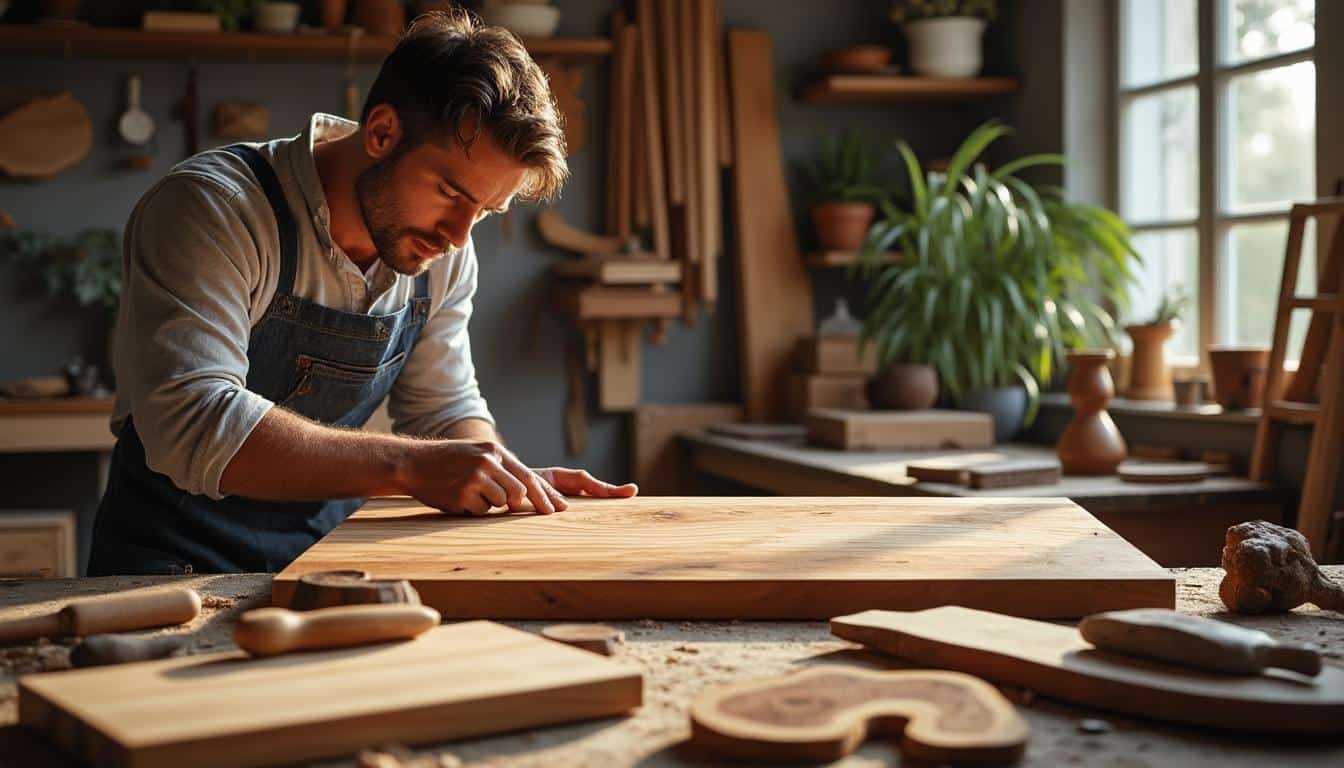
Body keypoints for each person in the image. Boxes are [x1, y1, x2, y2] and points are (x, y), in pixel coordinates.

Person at [88, 10, 636, 576]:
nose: (457, 236)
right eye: (450, 192)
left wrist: (499, 477)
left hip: (323, 559)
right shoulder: (215, 210)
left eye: (484, 211)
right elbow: (194, 419)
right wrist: (410, 467)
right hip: (167, 565)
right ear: (381, 132)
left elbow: (444, 408)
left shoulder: (441, 248)